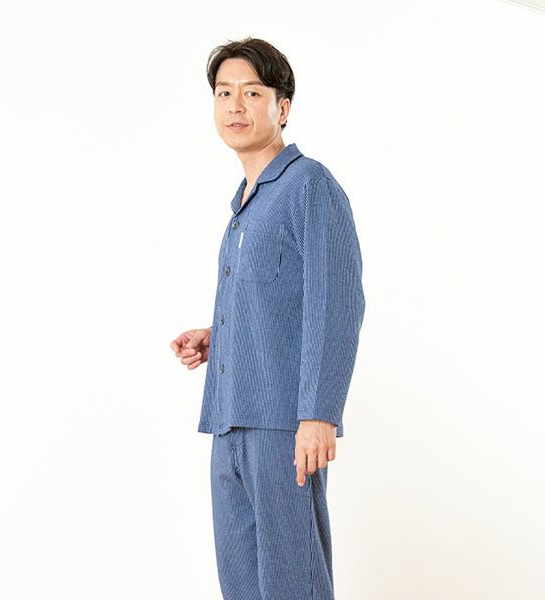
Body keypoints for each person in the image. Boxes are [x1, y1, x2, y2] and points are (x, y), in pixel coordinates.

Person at [170, 37, 365, 600]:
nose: (235, 105)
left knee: (291, 583)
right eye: (223, 93)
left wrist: (319, 414)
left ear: (282, 107)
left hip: (283, 425)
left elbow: (337, 304)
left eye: (252, 93)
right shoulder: (244, 203)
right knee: (241, 585)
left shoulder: (309, 186)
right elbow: (282, 300)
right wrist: (219, 336)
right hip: (228, 419)